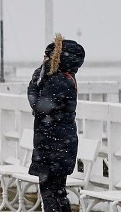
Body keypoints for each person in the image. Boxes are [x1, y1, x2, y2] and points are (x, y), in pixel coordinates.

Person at [27, 34, 86, 212]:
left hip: (53, 146)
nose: (43, 61)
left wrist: (33, 84)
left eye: (47, 57)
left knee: (50, 192)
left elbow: (41, 106)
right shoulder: (63, 78)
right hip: (58, 145)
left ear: (56, 59)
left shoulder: (59, 81)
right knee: (57, 192)